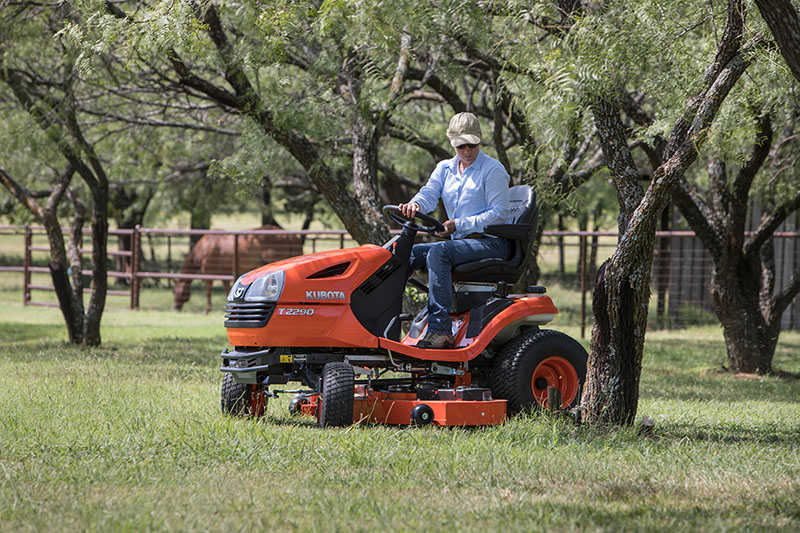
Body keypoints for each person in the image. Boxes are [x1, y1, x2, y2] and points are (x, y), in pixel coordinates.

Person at [399, 112, 510, 349]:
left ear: (480, 141)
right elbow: (429, 193)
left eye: (473, 144)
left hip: (491, 242)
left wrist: (459, 224)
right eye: (462, 145)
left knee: (439, 253)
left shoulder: (493, 170)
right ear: (452, 142)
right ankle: (386, 321)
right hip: (461, 244)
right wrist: (415, 204)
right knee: (404, 253)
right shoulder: (445, 168)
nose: (467, 150)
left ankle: (440, 331)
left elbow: (499, 214)